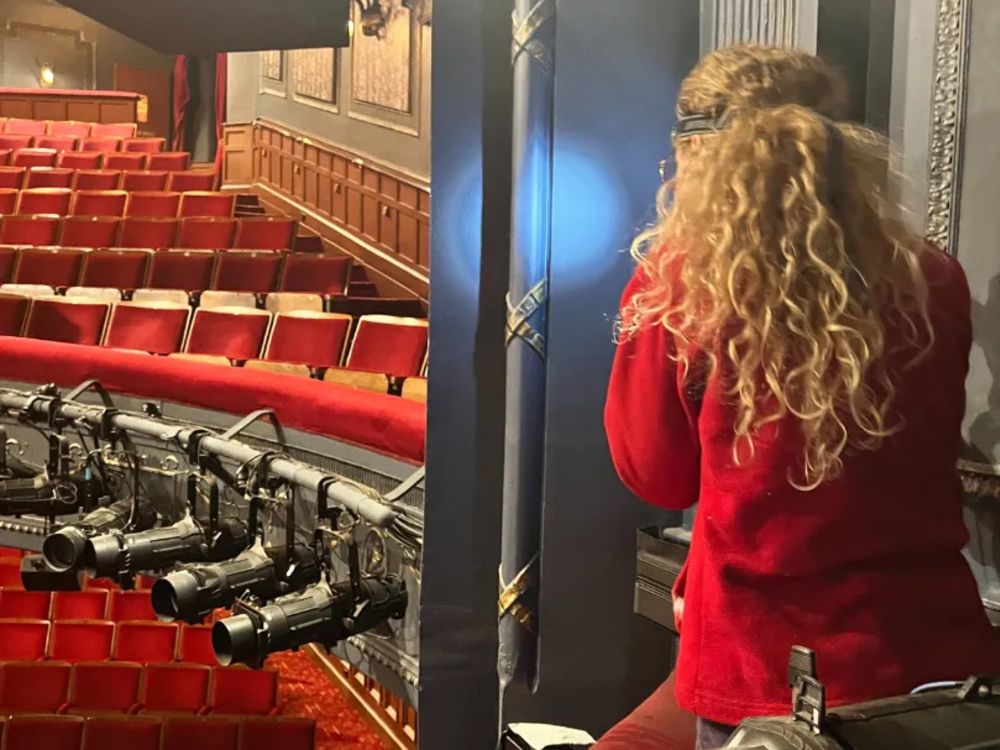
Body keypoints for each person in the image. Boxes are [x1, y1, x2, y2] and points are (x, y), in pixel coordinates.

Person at [604, 44, 1000, 750]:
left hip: (765, 679)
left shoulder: (678, 287)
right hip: (933, 659)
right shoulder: (932, 277)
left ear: (693, 159)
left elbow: (654, 474)